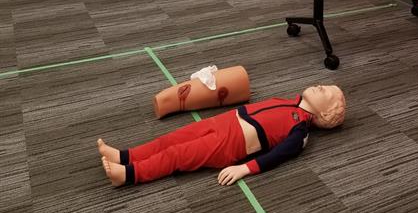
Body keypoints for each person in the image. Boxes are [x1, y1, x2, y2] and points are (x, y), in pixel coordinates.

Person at [98, 84, 346, 187]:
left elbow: (277, 156)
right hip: (223, 122)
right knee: (171, 139)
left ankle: (128, 175)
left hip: (229, 144)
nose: (319, 86)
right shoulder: (291, 100)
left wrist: (244, 169)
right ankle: (124, 156)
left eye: (325, 91)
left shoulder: (300, 131)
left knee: (177, 155)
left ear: (325, 112)